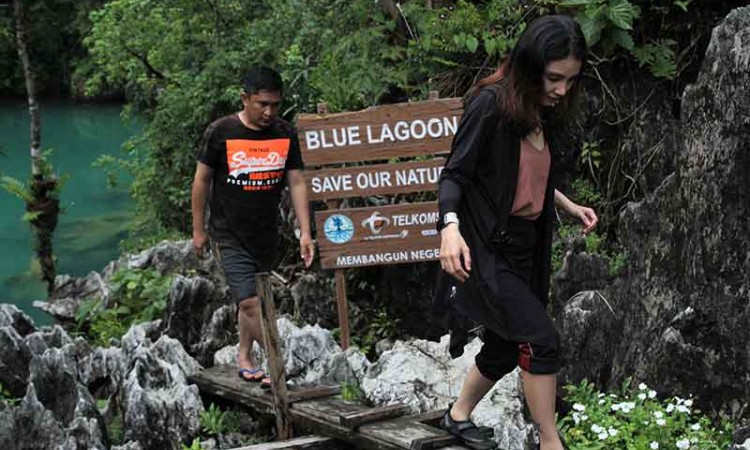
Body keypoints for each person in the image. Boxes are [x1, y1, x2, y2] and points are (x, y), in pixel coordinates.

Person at [435, 15, 598, 450]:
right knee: (542, 338)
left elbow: (523, 175)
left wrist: (565, 204)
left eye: (571, 80)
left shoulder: (542, 111)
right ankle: (551, 442)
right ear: (530, 65)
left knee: (506, 346)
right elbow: (454, 175)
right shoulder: (489, 106)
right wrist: (449, 229)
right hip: (489, 250)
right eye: (554, 78)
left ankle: (457, 415)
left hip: (528, 246)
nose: (562, 89)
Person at [192, 66, 314, 387]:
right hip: (228, 233)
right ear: (245, 98)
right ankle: (279, 364)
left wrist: (305, 233)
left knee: (252, 303)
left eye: (275, 104)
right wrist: (198, 229)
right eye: (262, 104)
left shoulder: (285, 133)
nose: (269, 111)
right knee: (249, 302)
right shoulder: (221, 131)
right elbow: (202, 180)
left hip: (266, 234)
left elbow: (297, 182)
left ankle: (244, 357)